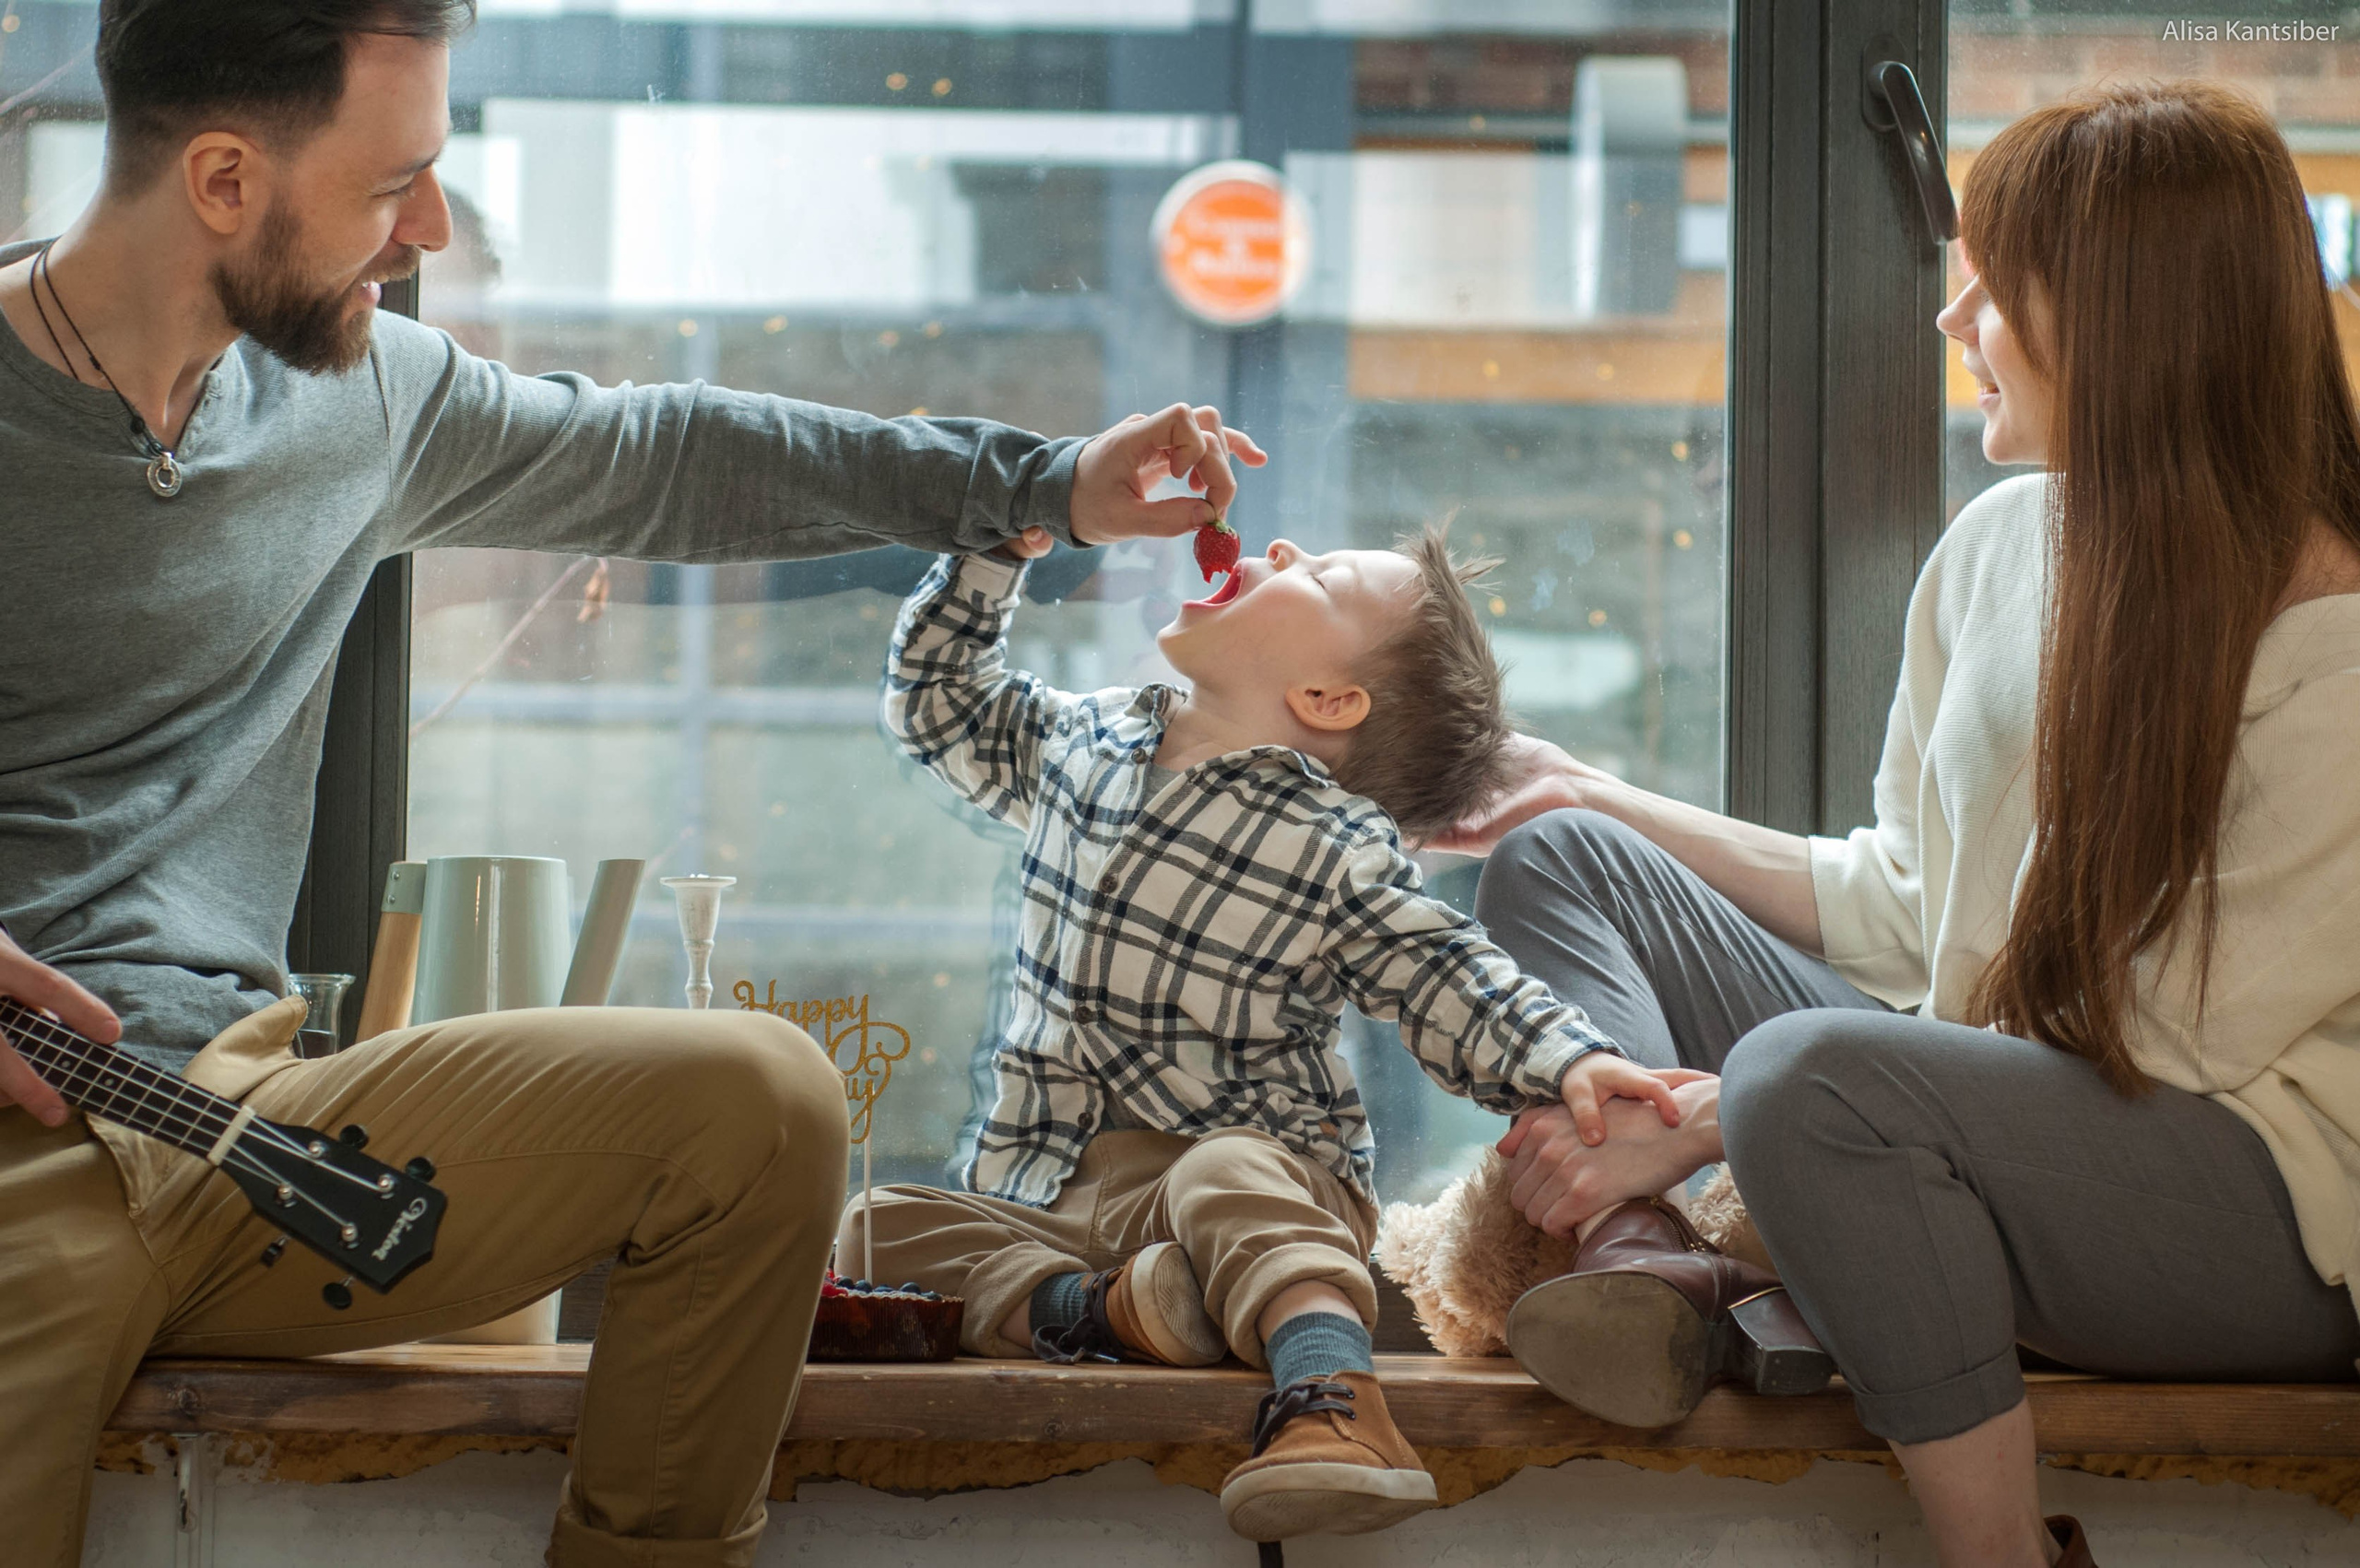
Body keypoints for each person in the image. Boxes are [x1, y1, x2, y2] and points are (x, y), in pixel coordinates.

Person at [0, 4, 1261, 1566]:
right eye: (396, 183)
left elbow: (670, 456)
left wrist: (1041, 488)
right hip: (21, 1160)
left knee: (758, 1105)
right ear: (220, 180)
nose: (430, 232)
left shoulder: (367, 401)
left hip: (246, 1120)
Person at [1439, 81, 2360, 1568]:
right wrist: (1603, 795)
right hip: (1987, 1105)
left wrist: (1707, 1121)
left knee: (1810, 1077)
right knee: (1565, 858)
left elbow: (2163, 1038)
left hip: (2247, 1208)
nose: (1953, 320)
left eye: (1998, 287)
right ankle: (1645, 1266)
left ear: (2128, 319)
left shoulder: (2345, 646)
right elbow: (1908, 900)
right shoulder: (2005, 544)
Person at [837, 524, 1709, 1544]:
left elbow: (1442, 973)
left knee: (1223, 1169)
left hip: (1262, 1187)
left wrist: (1568, 1058)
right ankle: (1106, 1313)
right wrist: (999, 546)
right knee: (868, 1227)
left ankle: (1336, 1403)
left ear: (1328, 702)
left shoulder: (1330, 844)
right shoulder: (1084, 742)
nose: (1286, 545)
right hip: (1060, 1190)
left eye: (1321, 576)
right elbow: (939, 704)